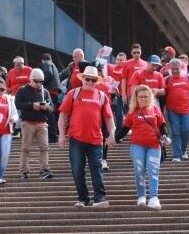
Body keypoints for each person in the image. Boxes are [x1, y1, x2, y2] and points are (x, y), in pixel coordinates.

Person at [58, 65, 116, 207]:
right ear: (82, 79)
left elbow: (109, 119)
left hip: (96, 139)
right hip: (76, 139)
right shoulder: (74, 93)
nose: (90, 82)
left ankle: (100, 198)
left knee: (97, 169)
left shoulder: (102, 96)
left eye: (93, 80)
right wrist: (61, 135)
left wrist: (112, 134)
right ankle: (83, 199)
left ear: (97, 81)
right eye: (88, 79)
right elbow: (62, 115)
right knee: (77, 169)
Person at [116, 85, 171, 209]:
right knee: (139, 171)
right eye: (140, 97)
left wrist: (166, 136)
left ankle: (154, 197)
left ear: (150, 97)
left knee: (153, 170)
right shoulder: (132, 113)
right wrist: (112, 139)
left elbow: (162, 126)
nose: (143, 99)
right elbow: (124, 130)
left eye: (146, 96)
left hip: (154, 145)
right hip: (137, 145)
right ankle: (141, 196)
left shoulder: (155, 109)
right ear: (136, 98)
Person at [15, 68, 53, 180]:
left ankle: (44, 169)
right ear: (31, 79)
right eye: (36, 81)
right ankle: (24, 171)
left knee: (44, 147)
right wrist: (32, 105)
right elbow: (17, 104)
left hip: (42, 122)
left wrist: (46, 107)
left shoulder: (45, 91)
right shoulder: (22, 90)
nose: (39, 84)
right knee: (26, 148)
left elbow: (52, 108)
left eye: (41, 81)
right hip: (28, 122)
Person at [163, 58, 189, 162]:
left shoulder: (188, 78)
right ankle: (177, 155)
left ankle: (183, 150)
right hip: (172, 110)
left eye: (176, 69)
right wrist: (162, 110)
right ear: (170, 68)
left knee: (187, 130)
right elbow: (163, 96)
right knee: (175, 131)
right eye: (172, 69)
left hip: (187, 109)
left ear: (181, 68)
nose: (174, 71)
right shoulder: (167, 79)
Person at [40, 53, 62, 143]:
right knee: (54, 114)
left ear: (42, 60)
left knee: (50, 114)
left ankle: (52, 137)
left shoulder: (46, 63)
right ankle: (54, 134)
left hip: (50, 91)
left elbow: (48, 73)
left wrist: (41, 82)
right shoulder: (53, 65)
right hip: (55, 91)